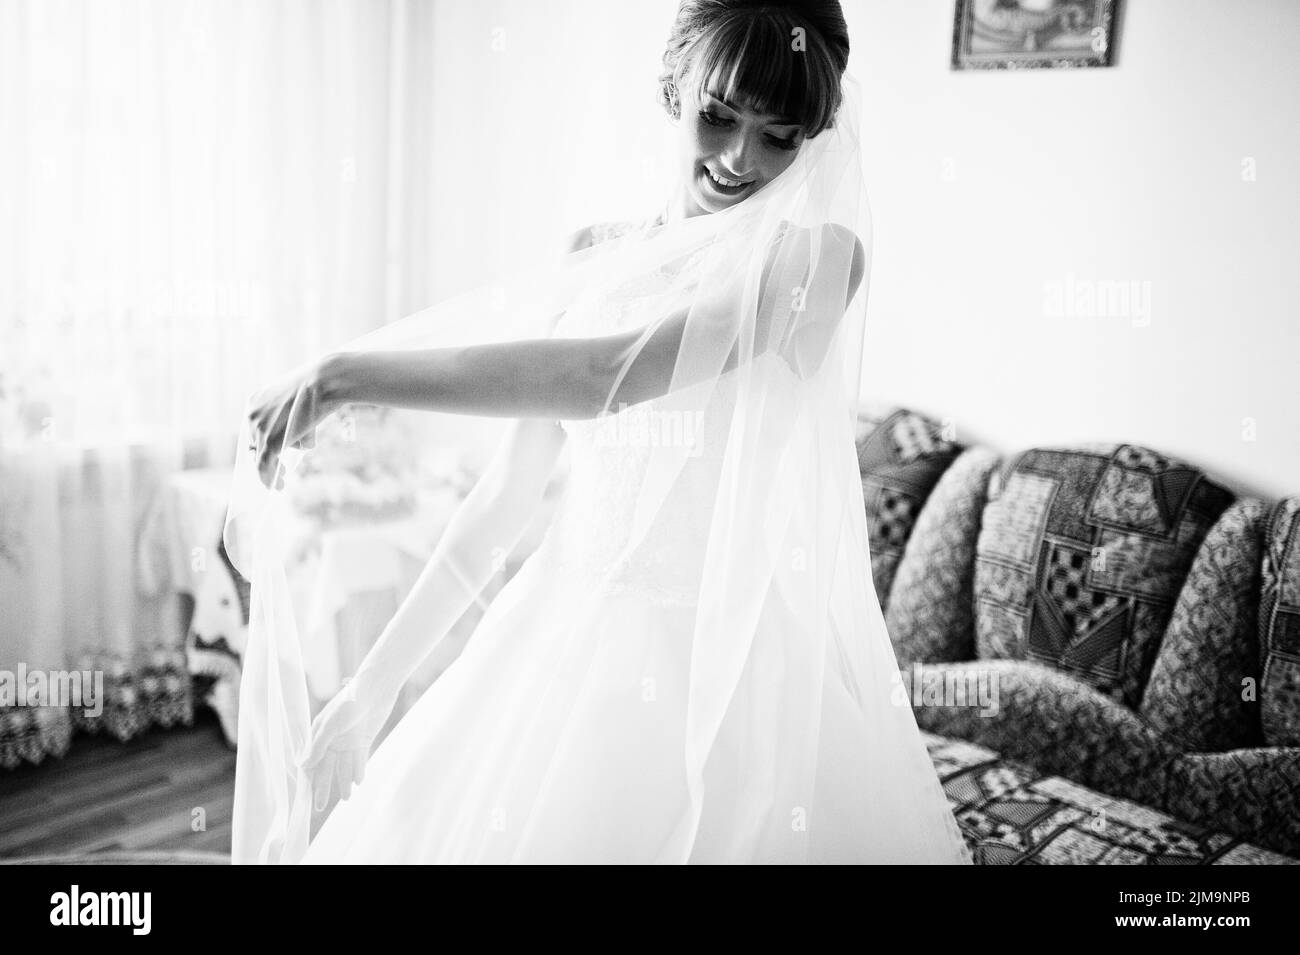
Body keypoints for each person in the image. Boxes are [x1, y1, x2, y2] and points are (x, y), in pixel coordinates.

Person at [229, 0, 974, 864]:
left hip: (722, 671)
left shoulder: (814, 262)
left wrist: (345, 375)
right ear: (673, 89)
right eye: (719, 116)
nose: (740, 158)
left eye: (778, 136)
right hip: (553, 632)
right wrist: (371, 686)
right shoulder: (592, 250)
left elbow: (600, 380)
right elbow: (501, 504)